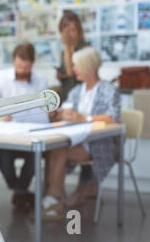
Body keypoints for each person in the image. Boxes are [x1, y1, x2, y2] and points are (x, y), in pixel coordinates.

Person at [40, 47, 121, 220]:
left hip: (99, 144)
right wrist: (58, 114)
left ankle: (53, 199)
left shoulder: (108, 90)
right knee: (56, 148)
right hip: (76, 141)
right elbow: (67, 112)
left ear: (88, 67)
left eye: (76, 66)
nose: (74, 69)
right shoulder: (77, 91)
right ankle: (53, 199)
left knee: (58, 149)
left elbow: (113, 118)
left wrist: (83, 117)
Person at [0, 42, 48, 211]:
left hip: (31, 135)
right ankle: (21, 192)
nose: (22, 71)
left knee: (34, 157)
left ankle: (20, 193)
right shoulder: (0, 78)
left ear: (32, 64)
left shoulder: (40, 80)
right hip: (8, 135)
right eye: (20, 66)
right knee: (4, 161)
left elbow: (43, 111)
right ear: (13, 61)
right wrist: (0, 115)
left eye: (26, 68)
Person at [56, 10, 97, 205]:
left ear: (78, 30)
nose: (69, 34)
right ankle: (55, 193)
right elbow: (66, 72)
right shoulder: (64, 49)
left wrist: (67, 48)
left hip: (85, 99)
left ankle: (85, 186)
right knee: (66, 139)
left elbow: (72, 71)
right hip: (69, 96)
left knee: (84, 137)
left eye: (73, 30)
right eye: (66, 30)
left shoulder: (84, 48)